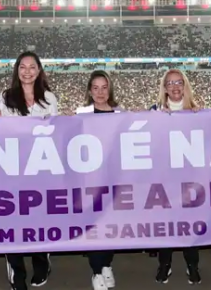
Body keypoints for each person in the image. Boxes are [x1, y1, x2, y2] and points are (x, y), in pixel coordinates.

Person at [0, 52, 57, 290]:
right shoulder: (6, 97)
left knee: (38, 218)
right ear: (17, 71)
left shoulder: (48, 98)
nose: (27, 71)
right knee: (12, 221)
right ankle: (17, 274)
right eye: (22, 67)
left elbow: (54, 131)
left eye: (32, 67)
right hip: (11, 169)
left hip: (39, 169)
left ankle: (41, 262)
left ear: (39, 71)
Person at [151, 69, 201, 284]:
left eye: (178, 82)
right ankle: (165, 264)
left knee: (190, 223)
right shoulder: (153, 111)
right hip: (164, 178)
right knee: (166, 224)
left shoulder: (198, 111)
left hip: (190, 178)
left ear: (185, 85)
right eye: (169, 83)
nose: (174, 86)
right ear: (164, 87)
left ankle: (192, 265)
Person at [76, 71, 121, 290]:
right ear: (89, 91)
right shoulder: (81, 114)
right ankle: (96, 271)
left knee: (110, 225)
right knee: (95, 226)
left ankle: (106, 266)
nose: (100, 92)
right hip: (91, 182)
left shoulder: (121, 113)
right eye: (95, 88)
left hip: (114, 180)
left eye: (104, 87)